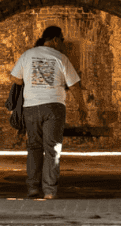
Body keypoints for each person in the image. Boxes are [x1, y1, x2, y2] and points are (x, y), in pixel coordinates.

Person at [9, 25, 87, 200]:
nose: (62, 44)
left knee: (34, 147)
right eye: (62, 40)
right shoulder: (60, 58)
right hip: (54, 107)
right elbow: (74, 85)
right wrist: (82, 106)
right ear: (55, 39)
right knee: (52, 149)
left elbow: (14, 78)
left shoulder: (27, 55)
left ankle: (32, 189)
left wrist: (30, 81)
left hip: (30, 107)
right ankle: (50, 191)